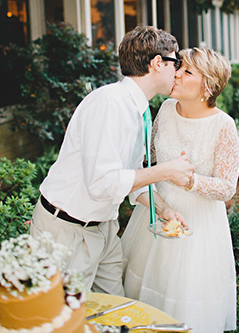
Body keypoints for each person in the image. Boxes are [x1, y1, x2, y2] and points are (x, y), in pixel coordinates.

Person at [29, 26, 194, 296]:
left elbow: (130, 176)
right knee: (61, 319)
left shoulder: (139, 109)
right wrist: (165, 171)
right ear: (156, 63)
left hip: (104, 229)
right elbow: (103, 183)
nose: (177, 71)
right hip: (66, 232)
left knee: (116, 311)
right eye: (175, 62)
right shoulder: (109, 104)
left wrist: (164, 210)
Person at [122, 47, 239, 332]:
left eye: (187, 72)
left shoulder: (224, 126)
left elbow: (226, 188)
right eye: (179, 68)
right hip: (156, 216)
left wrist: (188, 180)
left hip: (198, 228)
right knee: (142, 295)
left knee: (185, 301)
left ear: (208, 85)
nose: (176, 74)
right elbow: (149, 160)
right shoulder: (164, 109)